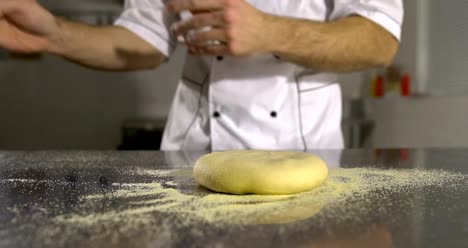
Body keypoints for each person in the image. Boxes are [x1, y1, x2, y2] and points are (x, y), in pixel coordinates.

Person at [0, 0, 403, 151]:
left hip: (301, 162)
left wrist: (270, 31)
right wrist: (55, 35)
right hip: (191, 158)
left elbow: (379, 38)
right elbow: (147, 36)